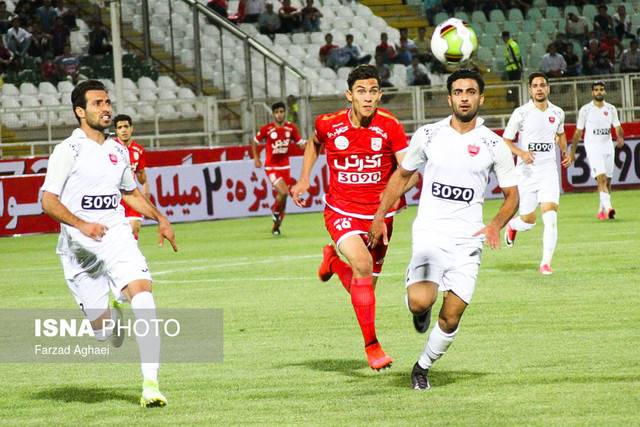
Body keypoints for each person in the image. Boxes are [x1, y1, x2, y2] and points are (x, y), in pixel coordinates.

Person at [368, 68, 519, 391]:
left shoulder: (494, 145)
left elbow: (512, 196)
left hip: (468, 242)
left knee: (452, 316)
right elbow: (403, 175)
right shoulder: (428, 135)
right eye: (458, 92)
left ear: (481, 97)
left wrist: (495, 224)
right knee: (420, 302)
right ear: (449, 97)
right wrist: (380, 213)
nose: (464, 98)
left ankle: (422, 367)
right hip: (431, 235)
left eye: (470, 92)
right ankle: (421, 312)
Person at [40, 80, 177, 407]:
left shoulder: (118, 149)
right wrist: (82, 224)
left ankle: (151, 385)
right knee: (103, 331)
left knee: (143, 292)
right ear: (80, 111)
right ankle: (110, 312)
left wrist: (160, 217)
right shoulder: (67, 151)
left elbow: (129, 192)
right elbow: (47, 201)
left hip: (116, 233)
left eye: (108, 102)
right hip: (80, 248)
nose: (106, 108)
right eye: (98, 103)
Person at [291, 65, 415, 370]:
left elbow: (409, 172)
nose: (368, 98)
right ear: (350, 95)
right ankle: (373, 347)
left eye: (373, 91)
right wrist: (304, 178)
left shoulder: (390, 126)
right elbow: (314, 143)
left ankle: (333, 262)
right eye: (361, 91)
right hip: (341, 211)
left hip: (380, 216)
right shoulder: (329, 124)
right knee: (361, 265)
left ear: (380, 94)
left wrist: (386, 206)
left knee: (365, 288)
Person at [503, 73, 571, 275]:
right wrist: (522, 153)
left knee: (550, 218)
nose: (539, 89)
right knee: (529, 221)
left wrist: (565, 152)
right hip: (526, 174)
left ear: (548, 88)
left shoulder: (558, 112)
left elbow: (560, 134)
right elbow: (506, 140)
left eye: (543, 85)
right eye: (535, 86)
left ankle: (545, 263)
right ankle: (514, 226)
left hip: (549, 172)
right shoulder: (521, 113)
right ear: (530, 90)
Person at [570, 81, 624, 220]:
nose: (599, 92)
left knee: (609, 181)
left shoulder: (611, 109)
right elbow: (578, 132)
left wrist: (620, 137)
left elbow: (617, 126)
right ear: (592, 92)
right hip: (593, 147)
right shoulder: (585, 110)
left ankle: (602, 210)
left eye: (601, 89)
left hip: (608, 146)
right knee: (601, 179)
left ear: (604, 92)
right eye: (596, 90)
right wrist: (572, 152)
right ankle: (609, 208)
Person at [251, 101, 304, 236]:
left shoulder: (291, 128)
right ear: (273, 114)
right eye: (277, 112)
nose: (279, 115)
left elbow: (300, 144)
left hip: (285, 167)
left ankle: (276, 227)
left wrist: (312, 142)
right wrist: (256, 158)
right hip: (272, 167)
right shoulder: (267, 129)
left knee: (284, 200)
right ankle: (275, 212)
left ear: (284, 113)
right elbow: (254, 142)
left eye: (281, 112)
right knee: (284, 192)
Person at [113, 114, 151, 240]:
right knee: (116, 236)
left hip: (131, 196)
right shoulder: (109, 148)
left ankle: (131, 258)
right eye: (120, 127)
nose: (123, 130)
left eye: (126, 126)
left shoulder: (138, 150)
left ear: (131, 128)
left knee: (134, 228)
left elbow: (141, 177)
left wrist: (144, 182)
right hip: (114, 198)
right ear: (116, 131)